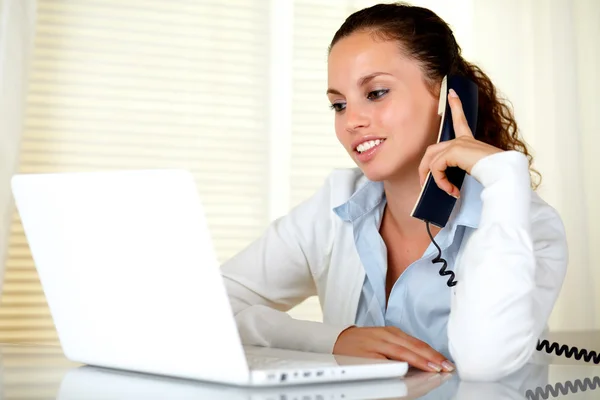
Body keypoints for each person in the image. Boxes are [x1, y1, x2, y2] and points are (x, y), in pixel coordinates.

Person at [220, 2, 568, 382]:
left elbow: (486, 362)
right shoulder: (335, 206)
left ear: (449, 96)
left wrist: (502, 176)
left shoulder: (525, 221)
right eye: (338, 104)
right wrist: (335, 339)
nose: (352, 121)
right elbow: (208, 305)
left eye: (376, 92)